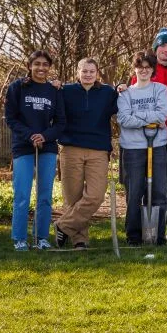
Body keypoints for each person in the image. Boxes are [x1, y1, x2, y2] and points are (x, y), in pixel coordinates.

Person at [5, 50, 66, 251]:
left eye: (45, 64)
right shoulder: (18, 88)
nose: (41, 68)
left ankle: (41, 237)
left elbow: (60, 122)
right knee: (22, 193)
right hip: (24, 146)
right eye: (37, 64)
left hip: (47, 146)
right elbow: (11, 118)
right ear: (30, 66)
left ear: (49, 67)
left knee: (45, 195)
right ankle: (20, 237)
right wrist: (31, 135)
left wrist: (45, 136)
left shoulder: (54, 90)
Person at [55, 58, 118, 250]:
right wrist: (53, 85)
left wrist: (123, 86)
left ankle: (63, 226)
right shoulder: (66, 91)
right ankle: (79, 241)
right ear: (77, 72)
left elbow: (121, 108)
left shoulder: (107, 93)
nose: (88, 74)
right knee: (72, 197)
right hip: (71, 148)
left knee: (96, 195)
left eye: (92, 71)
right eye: (84, 71)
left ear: (97, 73)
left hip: (98, 150)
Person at [129, 28, 167, 242]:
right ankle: (144, 227)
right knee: (147, 184)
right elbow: (131, 92)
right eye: (162, 45)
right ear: (155, 49)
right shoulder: (147, 71)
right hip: (148, 137)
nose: (166, 50)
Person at [118, 52, 167, 245]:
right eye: (140, 67)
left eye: (148, 67)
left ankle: (156, 235)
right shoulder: (126, 93)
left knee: (158, 191)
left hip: (157, 146)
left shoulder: (160, 89)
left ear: (153, 70)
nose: (144, 70)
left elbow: (163, 112)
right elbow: (123, 119)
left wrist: (137, 118)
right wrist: (151, 119)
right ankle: (133, 235)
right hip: (132, 149)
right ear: (135, 69)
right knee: (134, 192)